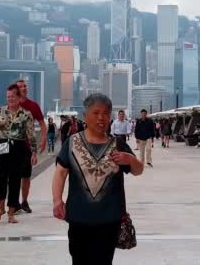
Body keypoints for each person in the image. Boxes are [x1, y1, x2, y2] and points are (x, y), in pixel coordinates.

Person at [52, 93, 144, 265]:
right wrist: (57, 200)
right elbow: (60, 172)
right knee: (79, 260)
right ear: (85, 116)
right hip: (79, 218)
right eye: (96, 113)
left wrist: (130, 159)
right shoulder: (72, 143)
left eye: (106, 113)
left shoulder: (117, 145)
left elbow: (138, 171)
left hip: (109, 219)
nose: (101, 118)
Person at [0, 84, 39, 224]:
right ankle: (1, 208)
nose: (10, 99)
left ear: (19, 97)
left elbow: (31, 135)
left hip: (18, 147)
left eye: (12, 96)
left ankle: (11, 212)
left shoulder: (26, 115)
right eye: (8, 97)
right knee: (0, 178)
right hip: (1, 146)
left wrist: (34, 152)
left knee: (15, 179)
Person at [15, 79, 47, 214]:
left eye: (25, 86)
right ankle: (14, 202)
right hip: (13, 146)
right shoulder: (11, 104)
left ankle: (24, 201)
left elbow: (42, 124)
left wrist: (44, 139)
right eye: (21, 87)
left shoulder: (33, 105)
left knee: (26, 176)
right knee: (14, 175)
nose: (24, 88)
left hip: (27, 146)